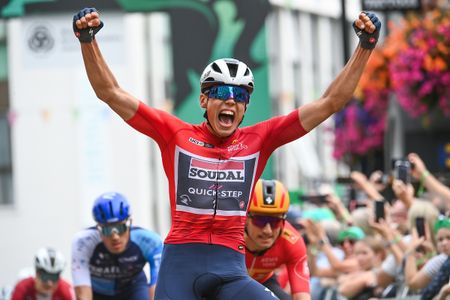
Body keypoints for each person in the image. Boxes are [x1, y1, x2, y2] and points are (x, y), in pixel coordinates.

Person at [72, 7, 381, 299]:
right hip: (181, 263)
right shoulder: (175, 134)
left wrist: (365, 46)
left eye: (241, 94)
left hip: (230, 267)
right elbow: (110, 93)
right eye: (220, 92)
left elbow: (330, 102)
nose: (231, 100)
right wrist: (89, 41)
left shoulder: (260, 139)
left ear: (246, 106)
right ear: (204, 100)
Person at [71, 192, 163, 300]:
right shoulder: (83, 242)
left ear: (130, 223)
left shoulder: (150, 242)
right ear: (98, 229)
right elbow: (83, 294)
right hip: (98, 293)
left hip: (133, 289)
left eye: (120, 228)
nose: (115, 237)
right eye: (107, 230)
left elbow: (158, 290)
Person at [245, 179, 310, 300]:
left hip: (263, 281)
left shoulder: (292, 241)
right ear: (246, 218)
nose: (267, 230)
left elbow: (302, 295)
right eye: (260, 220)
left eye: (275, 221)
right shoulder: (229, 234)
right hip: (227, 283)